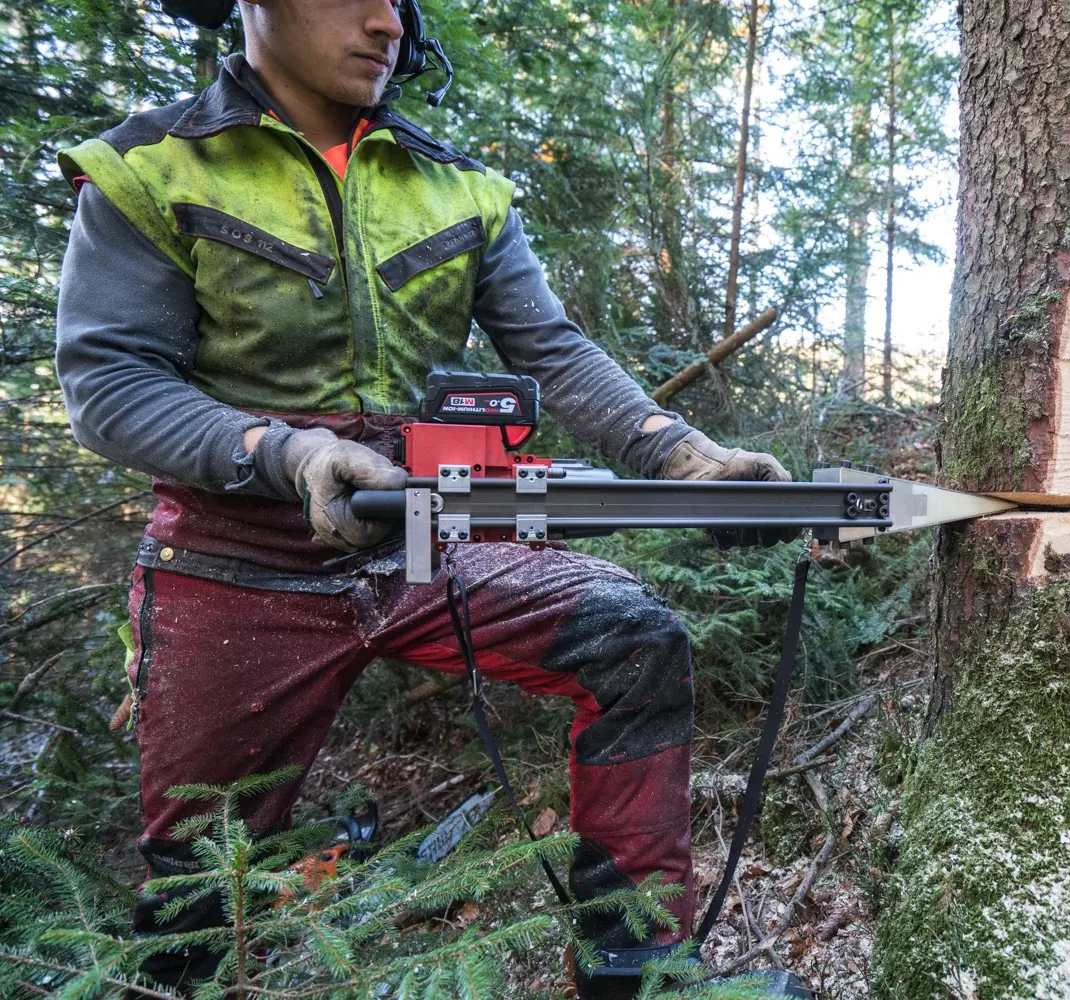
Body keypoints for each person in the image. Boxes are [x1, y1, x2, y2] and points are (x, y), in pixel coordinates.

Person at [54, 1, 808, 995]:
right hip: (231, 567)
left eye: (401, 1)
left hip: (422, 544)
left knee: (629, 636)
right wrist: (287, 452)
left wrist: (681, 457)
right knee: (204, 868)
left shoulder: (456, 186)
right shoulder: (153, 167)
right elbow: (110, 386)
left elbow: (553, 352)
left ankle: (641, 966)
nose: (386, 21)